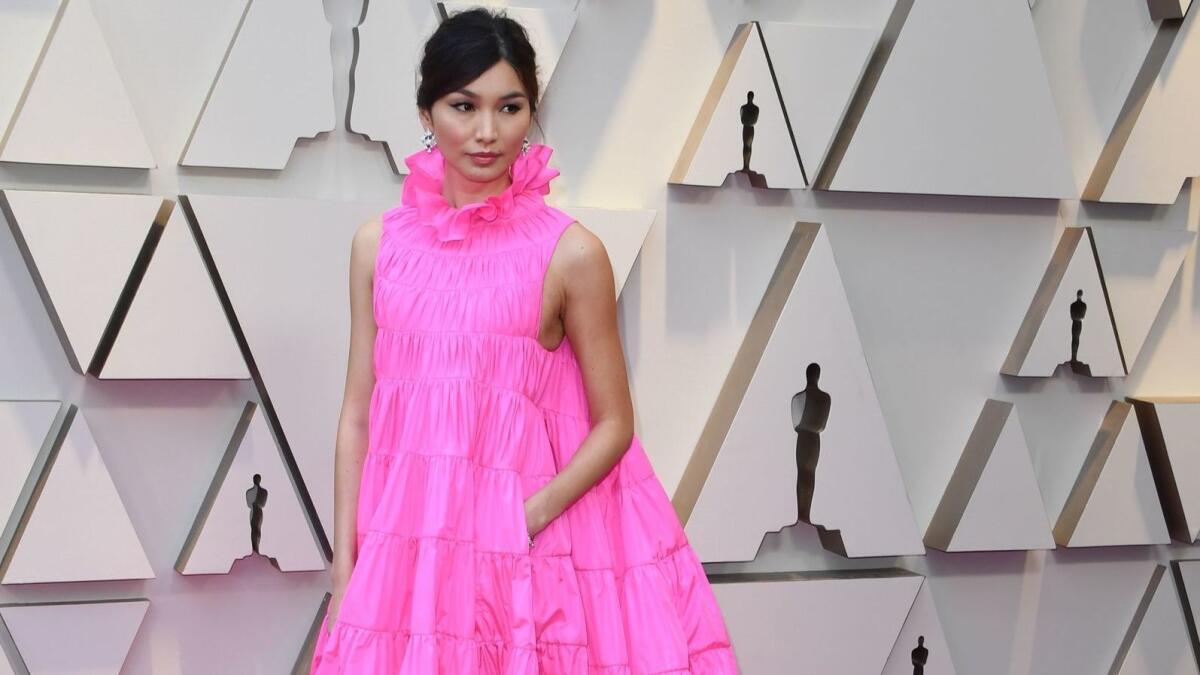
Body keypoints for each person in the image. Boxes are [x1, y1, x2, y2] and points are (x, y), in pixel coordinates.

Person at [308, 7, 739, 673]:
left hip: (514, 561)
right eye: (463, 105)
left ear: (531, 112)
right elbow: (358, 415)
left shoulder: (570, 254)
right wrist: (344, 566)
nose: (486, 132)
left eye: (509, 108)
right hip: (402, 561)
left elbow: (615, 423)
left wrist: (522, 517)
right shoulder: (378, 247)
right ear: (426, 115)